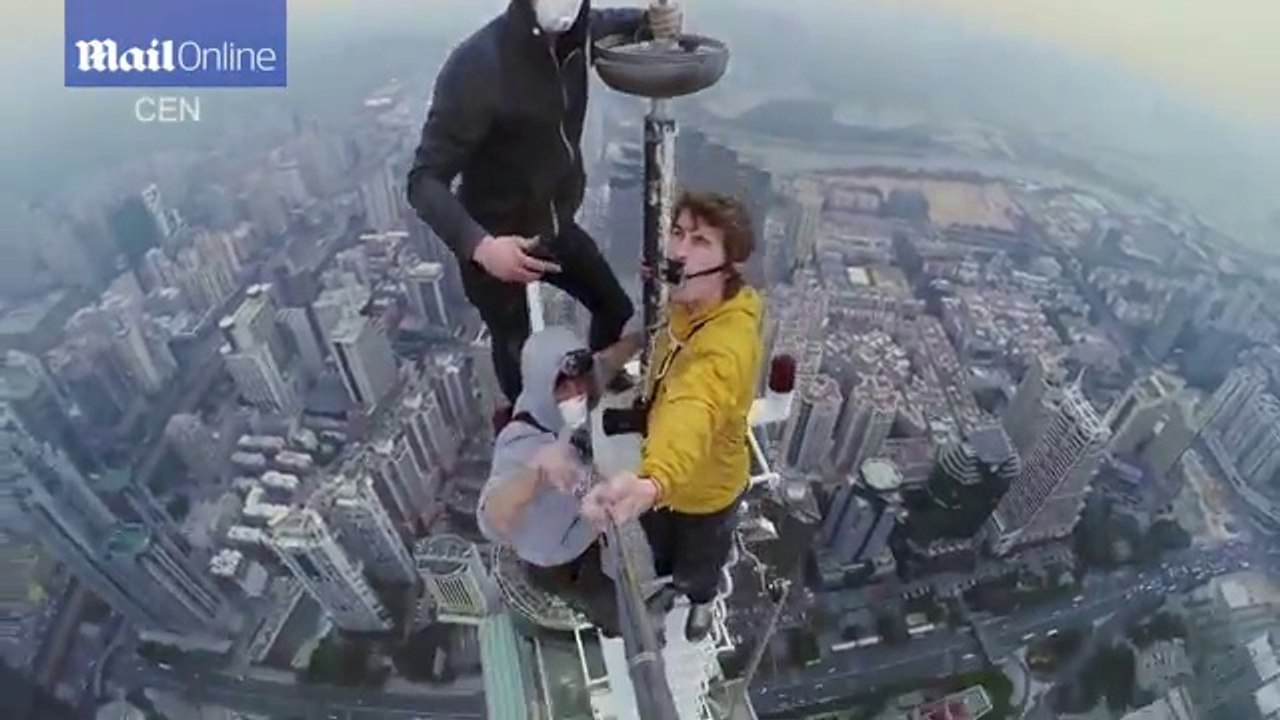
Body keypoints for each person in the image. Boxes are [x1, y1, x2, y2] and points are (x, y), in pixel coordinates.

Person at [406, 0, 683, 427]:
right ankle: (533, 425)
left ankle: (590, 389)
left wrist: (650, 23)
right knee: (517, 352)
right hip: (498, 242)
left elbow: (611, 23)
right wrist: (482, 247)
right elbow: (424, 180)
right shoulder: (477, 66)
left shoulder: (578, 36)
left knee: (613, 308)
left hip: (555, 227)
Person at [582, 191, 763, 642]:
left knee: (700, 568)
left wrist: (653, 479)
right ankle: (671, 583)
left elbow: (695, 404)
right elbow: (660, 335)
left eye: (701, 241)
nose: (680, 250)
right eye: (678, 234)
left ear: (731, 266)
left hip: (705, 494)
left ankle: (701, 601)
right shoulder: (688, 304)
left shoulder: (728, 344)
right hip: (663, 481)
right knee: (663, 553)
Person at [476, 325, 644, 635]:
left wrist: (643, 336)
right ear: (543, 386)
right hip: (562, 562)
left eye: (580, 385)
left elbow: (604, 365)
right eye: (563, 388)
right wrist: (537, 472)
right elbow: (492, 515)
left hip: (585, 528)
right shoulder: (520, 442)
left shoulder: (572, 405)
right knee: (619, 616)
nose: (576, 394)